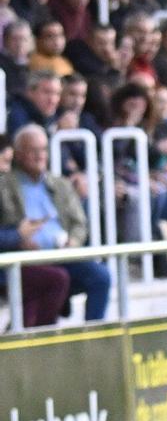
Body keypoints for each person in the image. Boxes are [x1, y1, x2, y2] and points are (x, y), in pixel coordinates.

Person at [2, 124, 112, 321]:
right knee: (56, 279)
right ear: (18, 154)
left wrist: (74, 242)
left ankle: (94, 338)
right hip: (24, 260)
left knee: (101, 277)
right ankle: (41, 338)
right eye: (33, 150)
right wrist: (18, 239)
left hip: (62, 254)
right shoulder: (4, 186)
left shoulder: (60, 184)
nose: (40, 156)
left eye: (43, 149)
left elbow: (79, 224)